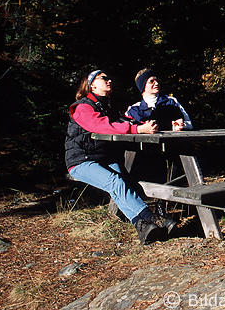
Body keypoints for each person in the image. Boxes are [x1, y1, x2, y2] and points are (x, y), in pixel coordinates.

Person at [64, 70, 176, 245]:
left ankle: (144, 225)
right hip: (81, 160)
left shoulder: (107, 106)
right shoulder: (82, 107)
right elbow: (102, 126)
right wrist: (137, 130)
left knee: (126, 182)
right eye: (104, 78)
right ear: (92, 84)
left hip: (104, 157)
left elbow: (124, 121)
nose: (109, 80)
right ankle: (151, 219)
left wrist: (145, 125)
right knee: (115, 181)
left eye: (109, 77)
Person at [125, 68, 193, 131]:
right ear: (142, 86)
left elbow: (189, 124)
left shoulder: (171, 101)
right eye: (151, 81)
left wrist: (182, 126)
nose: (156, 83)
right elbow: (126, 129)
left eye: (157, 80)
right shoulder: (133, 110)